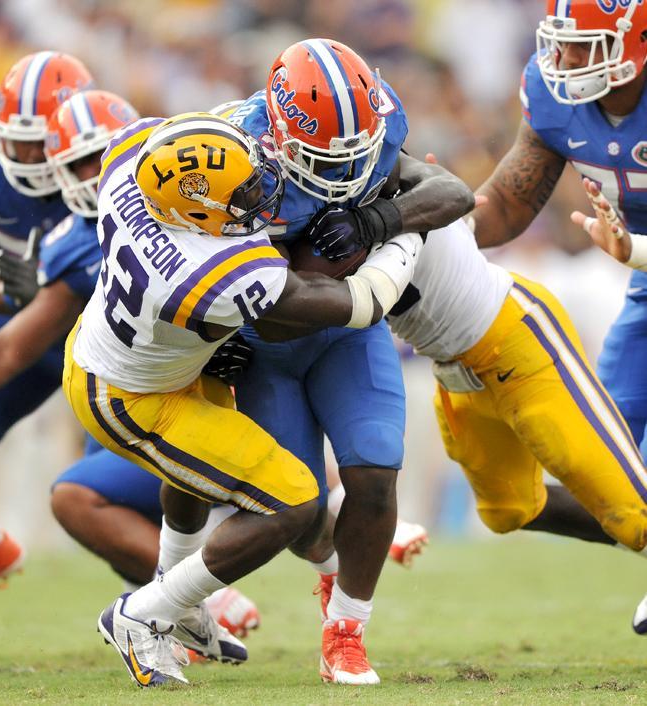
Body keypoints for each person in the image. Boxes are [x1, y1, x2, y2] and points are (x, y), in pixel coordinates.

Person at [62, 110, 422, 687]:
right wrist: (404, 235)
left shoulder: (134, 165)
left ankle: (178, 609)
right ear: (199, 213)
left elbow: (169, 140)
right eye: (245, 190)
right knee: (293, 502)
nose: (263, 191)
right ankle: (145, 612)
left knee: (195, 484)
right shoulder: (218, 269)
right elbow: (363, 303)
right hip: (133, 396)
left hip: (135, 351)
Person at [350, 0, 647, 633]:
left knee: (629, 487)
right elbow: (508, 204)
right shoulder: (555, 96)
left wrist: (638, 249)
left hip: (633, 268)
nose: (566, 60)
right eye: (562, 43)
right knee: (613, 475)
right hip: (643, 290)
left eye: (586, 44)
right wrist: (440, 219)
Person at [227, 38, 476, 685]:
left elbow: (451, 194)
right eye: (322, 156)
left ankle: (347, 631)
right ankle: (313, 566)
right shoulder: (231, 156)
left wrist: (375, 221)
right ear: (279, 133)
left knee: (375, 473)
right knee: (296, 508)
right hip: (261, 344)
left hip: (347, 331)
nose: (343, 171)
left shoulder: (381, 122)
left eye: (355, 152)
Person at [0, 87, 261, 647]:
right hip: (128, 394)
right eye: (76, 162)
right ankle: (182, 607)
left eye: (100, 154)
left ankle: (334, 554)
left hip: (215, 387)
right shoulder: (74, 240)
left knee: (289, 485)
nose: (92, 173)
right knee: (86, 497)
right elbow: (10, 346)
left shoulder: (192, 199)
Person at [304, 188, 647, 643]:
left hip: (516, 342)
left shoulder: (398, 184)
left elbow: (447, 191)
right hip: (453, 368)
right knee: (510, 509)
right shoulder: (312, 214)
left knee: (630, 507)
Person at [0, 51, 93, 589]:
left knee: (115, 484)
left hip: (96, 339)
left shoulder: (107, 160)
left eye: (35, 141)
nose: (23, 154)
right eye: (14, 138)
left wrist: (44, 290)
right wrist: (9, 294)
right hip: (9, 326)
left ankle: (173, 596)